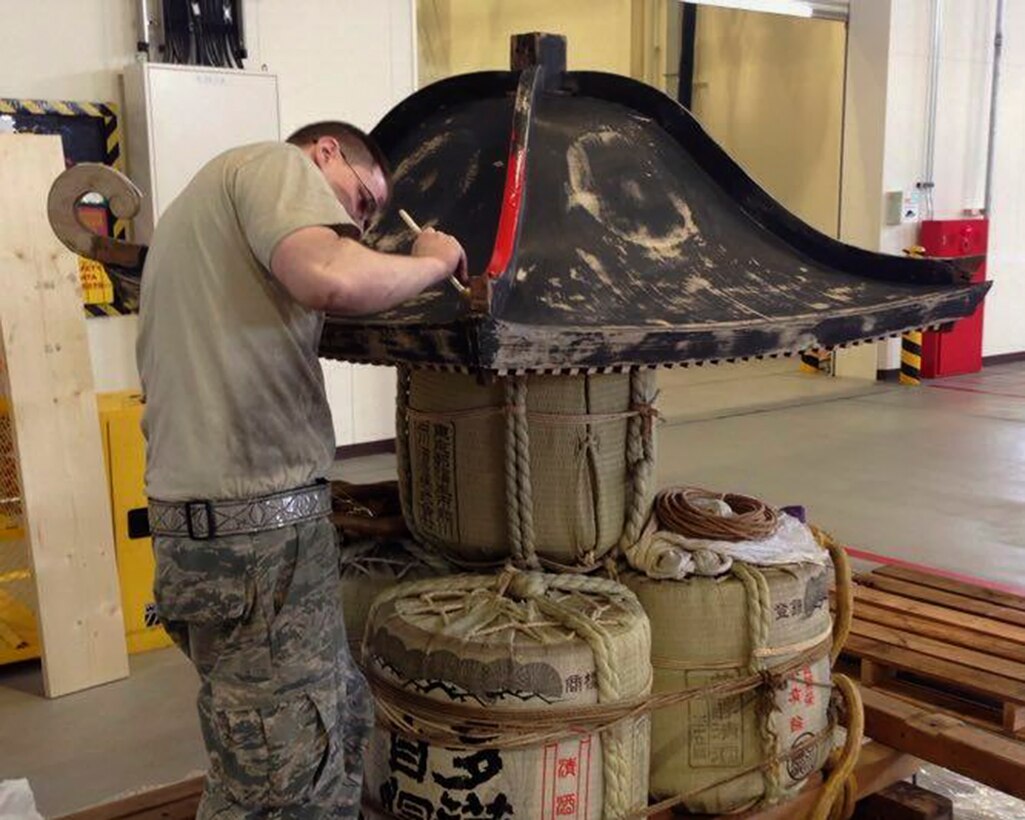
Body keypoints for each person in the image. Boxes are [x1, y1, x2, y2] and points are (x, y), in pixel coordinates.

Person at [136, 121, 466, 818]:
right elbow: (328, 277)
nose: (354, 224)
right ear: (324, 153)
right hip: (256, 544)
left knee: (320, 731)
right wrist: (436, 260)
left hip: (238, 537)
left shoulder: (208, 213)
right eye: (361, 202)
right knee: (288, 784)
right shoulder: (269, 165)